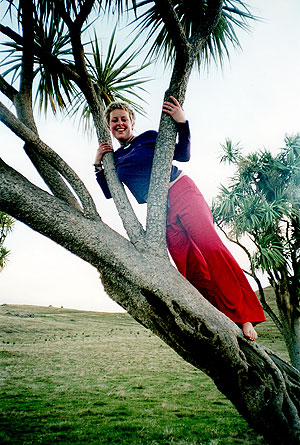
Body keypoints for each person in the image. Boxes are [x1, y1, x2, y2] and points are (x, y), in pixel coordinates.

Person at [94, 96, 266, 340]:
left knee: (210, 249)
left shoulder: (149, 137)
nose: (119, 123)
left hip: (181, 190)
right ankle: (219, 316)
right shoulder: (116, 159)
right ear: (109, 126)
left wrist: (182, 123)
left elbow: (183, 155)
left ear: (131, 122)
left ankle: (244, 315)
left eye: (123, 119)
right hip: (159, 210)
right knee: (188, 265)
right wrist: (98, 164)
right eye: (114, 121)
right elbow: (109, 192)